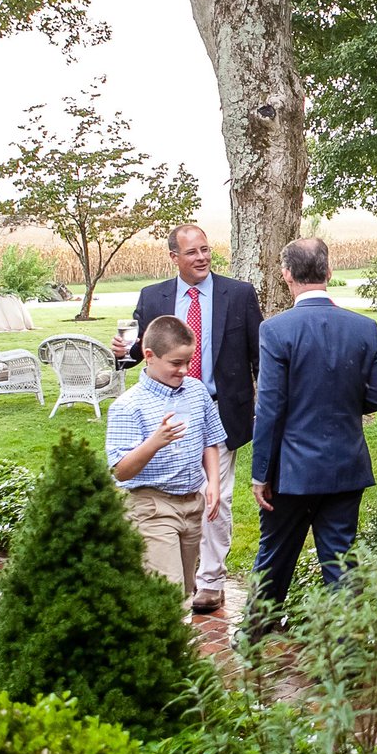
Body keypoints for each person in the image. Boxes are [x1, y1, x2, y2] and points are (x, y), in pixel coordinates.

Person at [112, 223, 262, 614]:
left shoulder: (240, 294)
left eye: (206, 250)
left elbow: (258, 356)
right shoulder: (153, 296)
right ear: (174, 257)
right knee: (172, 492)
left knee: (218, 496)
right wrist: (123, 352)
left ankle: (210, 580)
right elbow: (144, 349)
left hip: (219, 408)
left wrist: (266, 404)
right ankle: (177, 572)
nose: (201, 258)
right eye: (192, 252)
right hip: (161, 412)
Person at [248, 237, 377, 630]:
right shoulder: (364, 327)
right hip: (346, 462)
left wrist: (262, 473)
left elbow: (270, 409)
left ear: (286, 275)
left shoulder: (276, 330)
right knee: (340, 560)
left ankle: (254, 636)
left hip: (291, 471)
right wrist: (342, 406)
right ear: (329, 273)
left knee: (275, 555)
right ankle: (346, 649)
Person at [105, 316, 225, 598]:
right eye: (175, 363)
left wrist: (214, 484)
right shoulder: (128, 406)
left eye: (188, 362)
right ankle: (171, 641)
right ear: (149, 356)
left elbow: (210, 440)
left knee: (184, 588)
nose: (184, 370)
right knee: (167, 591)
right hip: (151, 506)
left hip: (192, 505)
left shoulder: (196, 391)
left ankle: (170, 637)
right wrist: (154, 443)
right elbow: (120, 471)